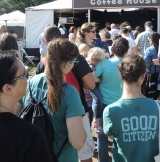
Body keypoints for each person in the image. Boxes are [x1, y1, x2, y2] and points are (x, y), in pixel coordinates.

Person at [15, 39, 86, 162]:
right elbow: (78, 142)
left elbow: (15, 116)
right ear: (67, 64)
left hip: (31, 155)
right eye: (75, 61)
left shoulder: (30, 82)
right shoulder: (69, 93)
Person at [34, 26, 96, 162]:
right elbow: (91, 84)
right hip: (76, 111)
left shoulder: (37, 71)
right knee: (84, 155)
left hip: (46, 117)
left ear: (45, 41)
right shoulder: (75, 57)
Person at [103, 54, 160, 162]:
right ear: (143, 76)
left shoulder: (110, 111)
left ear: (120, 74)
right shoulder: (159, 107)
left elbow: (111, 135)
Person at [94, 36, 129, 162]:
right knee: (120, 137)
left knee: (102, 137)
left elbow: (93, 79)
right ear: (126, 50)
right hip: (124, 104)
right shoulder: (130, 64)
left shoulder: (104, 63)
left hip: (104, 104)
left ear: (112, 49)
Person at [86, 47, 108, 134]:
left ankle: (98, 119)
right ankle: (96, 120)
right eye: (94, 59)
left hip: (98, 85)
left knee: (101, 100)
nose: (94, 61)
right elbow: (95, 79)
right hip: (93, 86)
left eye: (97, 60)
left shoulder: (101, 63)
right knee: (98, 99)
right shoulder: (90, 65)